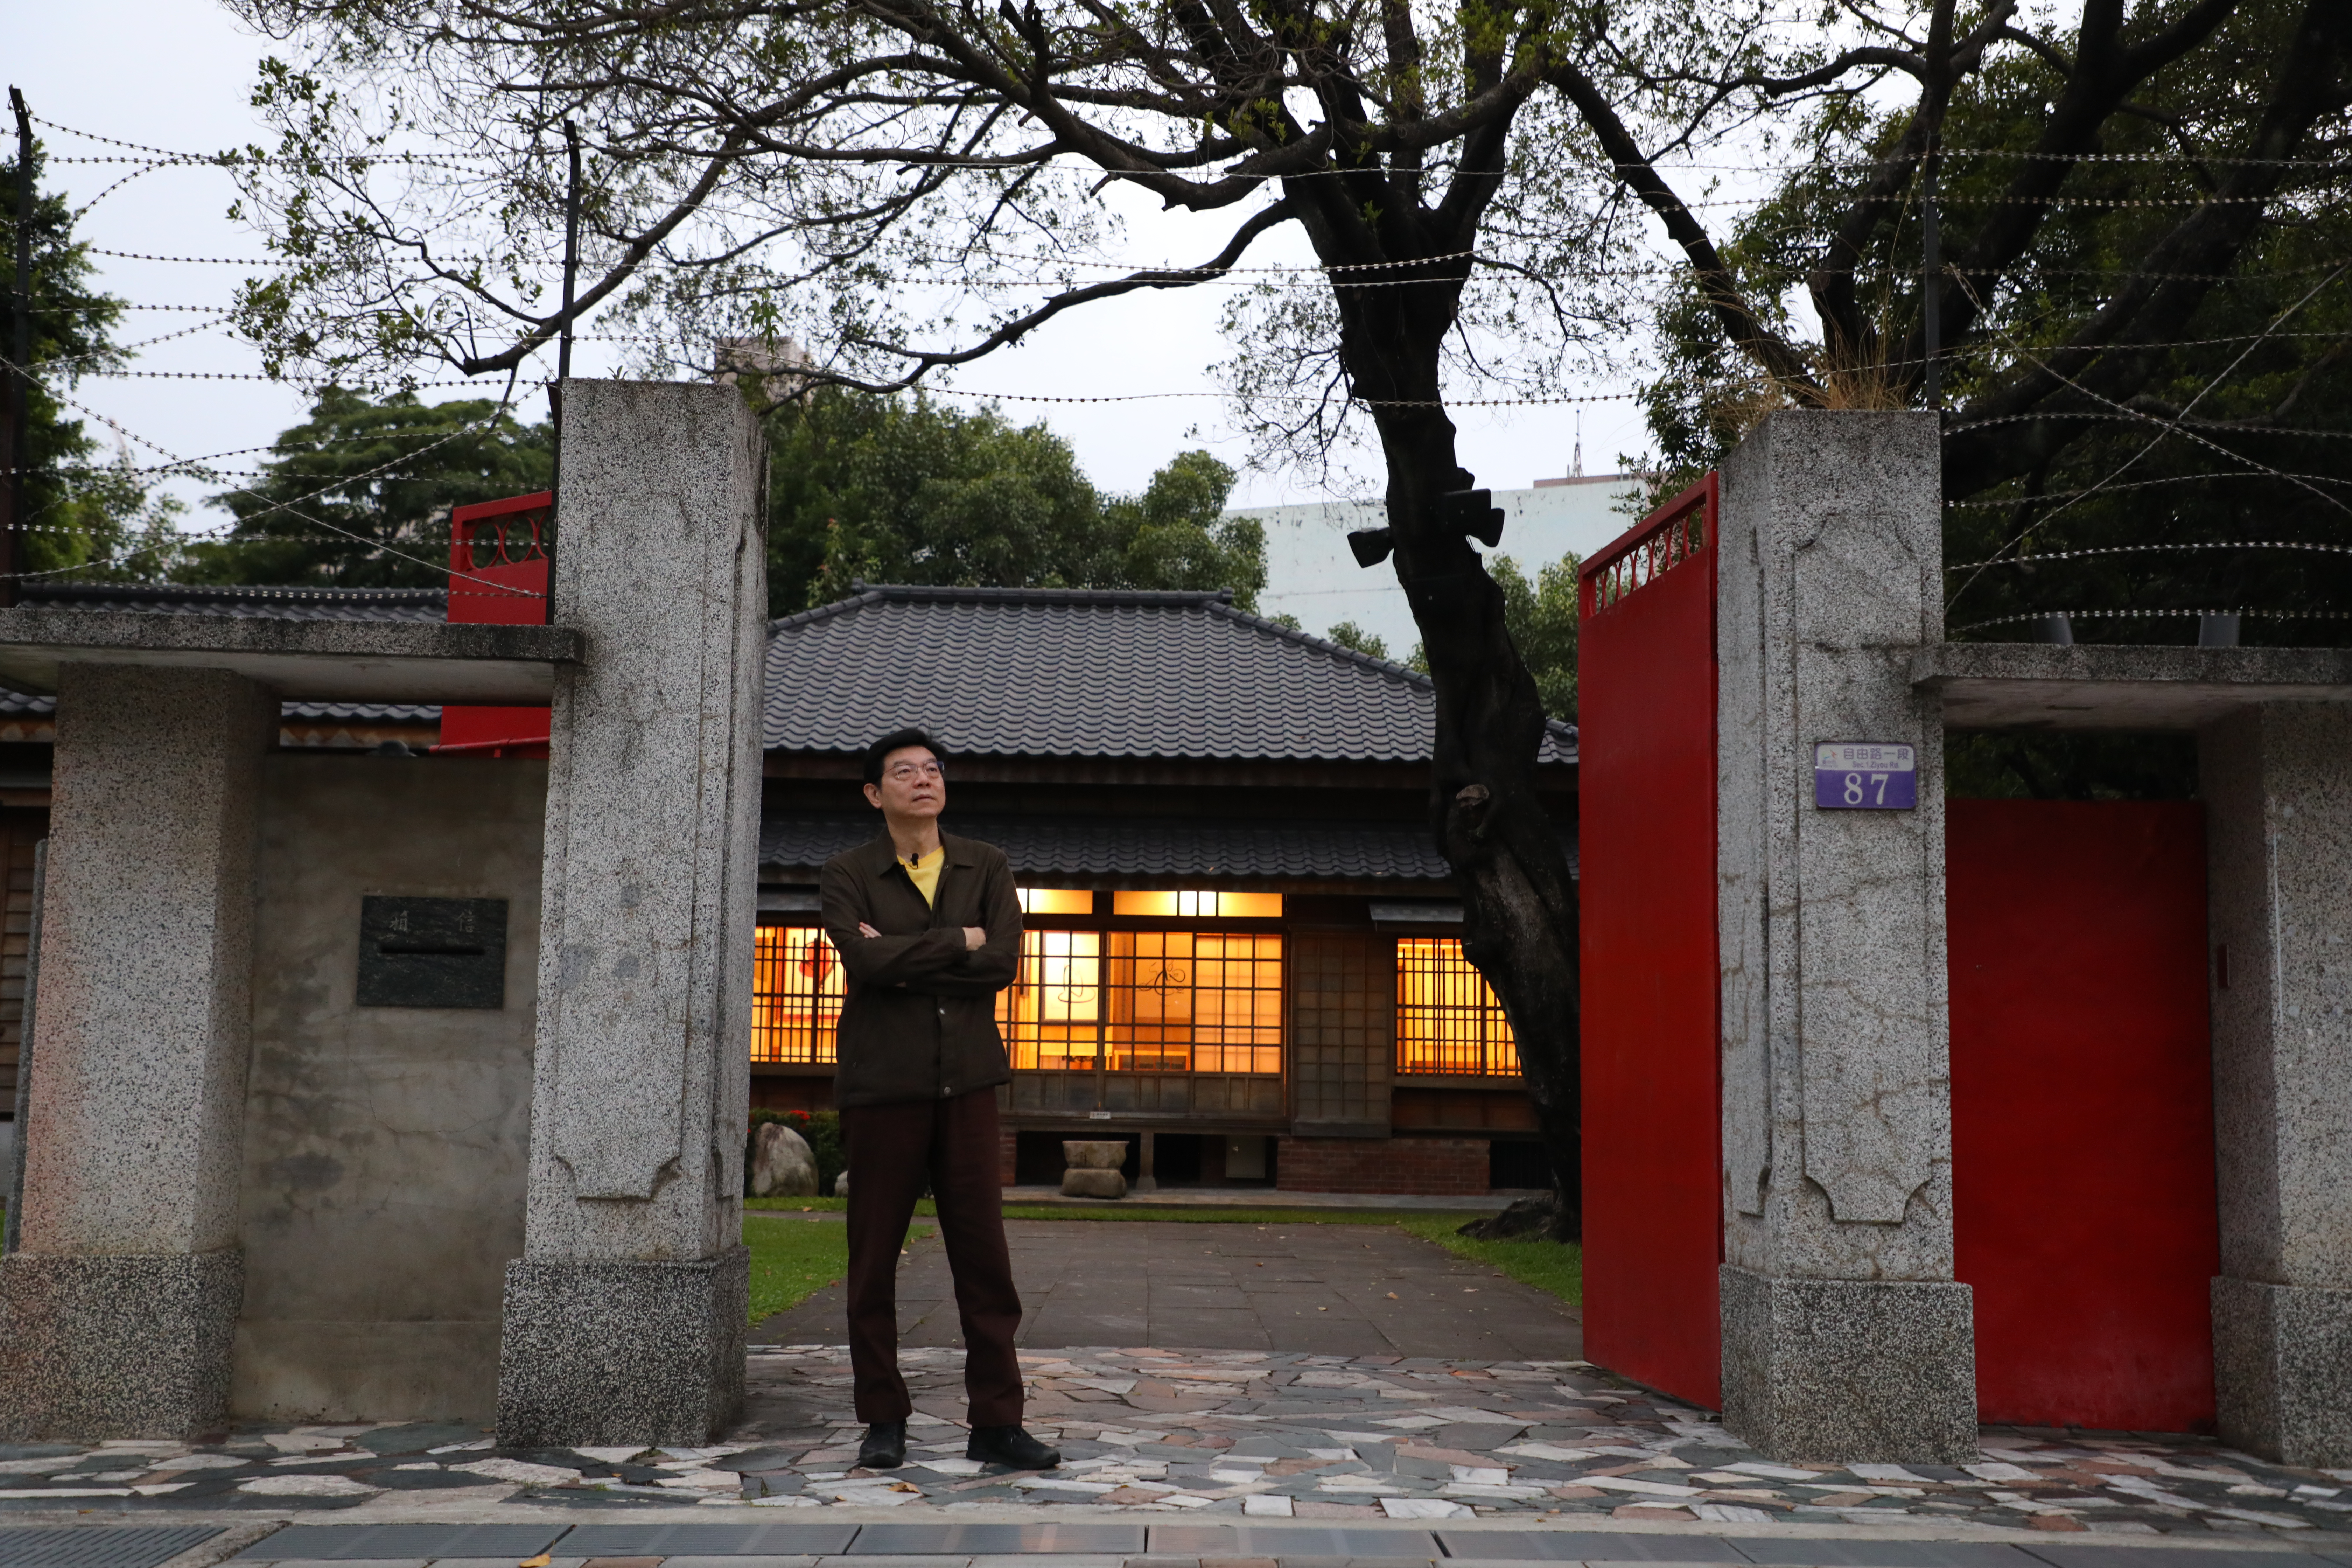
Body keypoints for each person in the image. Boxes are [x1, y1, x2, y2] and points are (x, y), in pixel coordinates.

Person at [818, 727, 1061, 1473]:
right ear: (874, 792)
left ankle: (997, 1421)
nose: (923, 780)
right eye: (904, 771)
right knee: (873, 1262)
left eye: (932, 770)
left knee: (985, 1262)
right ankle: (883, 1416)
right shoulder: (847, 871)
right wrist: (958, 937)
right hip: (881, 1087)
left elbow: (1001, 965)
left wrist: (901, 956)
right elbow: (861, 960)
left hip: (968, 1088)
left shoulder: (985, 863)